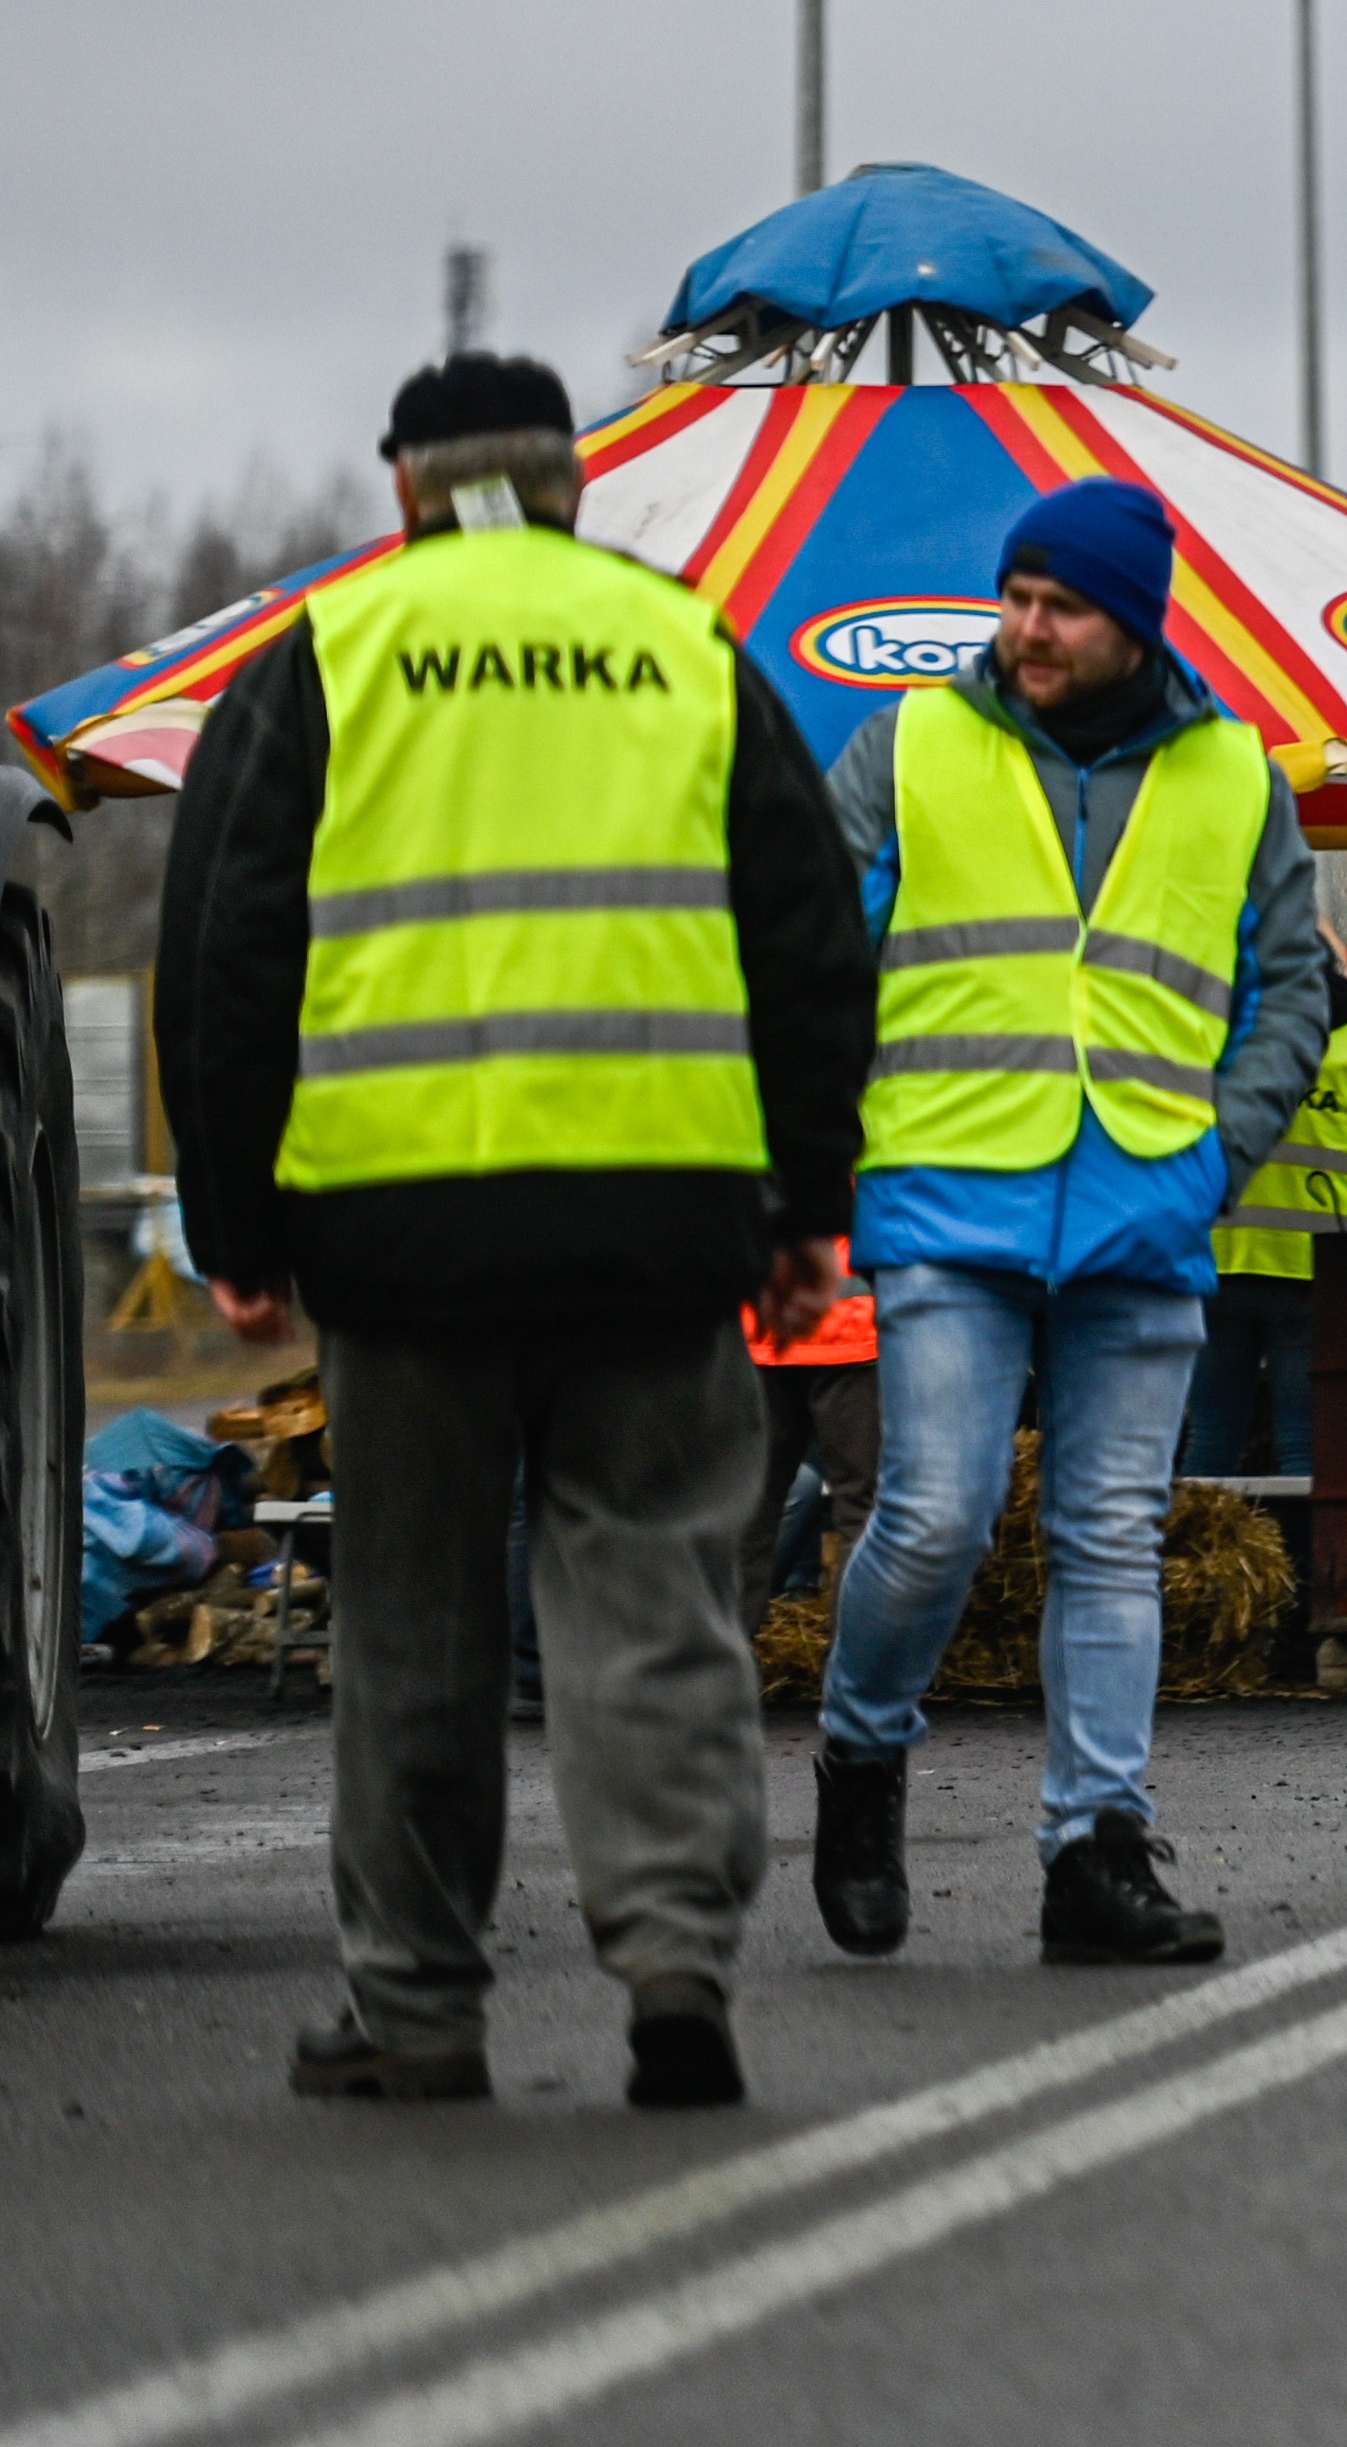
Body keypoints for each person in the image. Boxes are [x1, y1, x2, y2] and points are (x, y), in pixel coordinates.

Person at [155, 357, 876, 2109]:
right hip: (659, 1225)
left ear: (403, 482)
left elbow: (228, 950)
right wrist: (806, 1209)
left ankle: (417, 2008)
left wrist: (234, 1220)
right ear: (572, 480)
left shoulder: (326, 655)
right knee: (655, 1601)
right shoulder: (684, 647)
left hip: (405, 1239)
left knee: (411, 1626)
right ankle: (677, 1968)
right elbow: (806, 942)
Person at [812, 476, 1327, 1970]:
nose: (1028, 628)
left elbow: (1290, 982)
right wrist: (825, 1150)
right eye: (1017, 597)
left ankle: (1095, 1851)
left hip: (1147, 1200)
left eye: (1064, 606)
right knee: (937, 1516)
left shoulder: (1236, 776)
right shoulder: (908, 745)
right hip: (944, 1191)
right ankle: (861, 1749)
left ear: (1135, 626)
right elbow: (810, 962)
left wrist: (1218, 1153)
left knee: (1109, 1534)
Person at [1186, 960, 1347, 1485]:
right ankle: (1307, 1566)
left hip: (1219, 1264)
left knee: (1210, 1443)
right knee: (1306, 1449)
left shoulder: (1214, 1039)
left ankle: (1196, 1565)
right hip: (1319, 1277)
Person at [737, 1267, 881, 1636]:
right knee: (863, 1511)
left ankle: (712, 1676)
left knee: (748, 1509)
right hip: (853, 1330)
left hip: (765, 1325)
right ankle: (857, 1676)